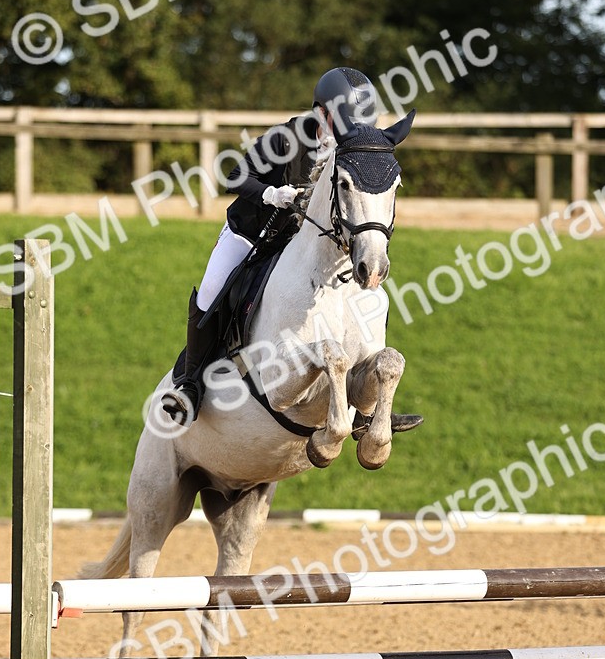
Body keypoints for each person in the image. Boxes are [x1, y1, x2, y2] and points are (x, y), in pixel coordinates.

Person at [162, 67, 422, 439]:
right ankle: (190, 385)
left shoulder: (351, 150)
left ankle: (364, 408)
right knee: (211, 291)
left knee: (364, 297)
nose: (353, 131)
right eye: (347, 122)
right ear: (322, 112)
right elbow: (236, 176)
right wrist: (272, 194)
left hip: (301, 243)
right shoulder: (285, 138)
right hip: (251, 232)